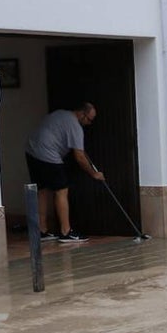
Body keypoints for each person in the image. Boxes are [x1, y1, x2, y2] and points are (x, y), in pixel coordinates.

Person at [24, 102, 103, 243]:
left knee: (42, 190)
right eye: (89, 120)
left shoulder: (60, 113)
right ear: (82, 114)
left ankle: (41, 230)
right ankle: (66, 232)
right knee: (61, 190)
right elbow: (79, 156)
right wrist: (93, 173)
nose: (89, 123)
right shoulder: (75, 127)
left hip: (32, 152)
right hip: (48, 154)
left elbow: (78, 150)